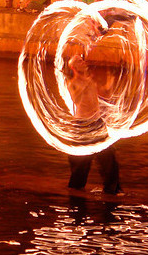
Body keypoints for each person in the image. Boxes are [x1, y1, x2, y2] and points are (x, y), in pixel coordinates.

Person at [64, 51, 121, 195]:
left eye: (82, 60)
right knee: (81, 161)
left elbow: (106, 93)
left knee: (108, 156)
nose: (84, 62)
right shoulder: (72, 83)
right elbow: (75, 99)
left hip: (96, 123)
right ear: (74, 68)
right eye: (79, 62)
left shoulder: (90, 81)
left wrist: (111, 79)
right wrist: (84, 83)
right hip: (82, 125)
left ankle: (112, 189)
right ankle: (76, 188)